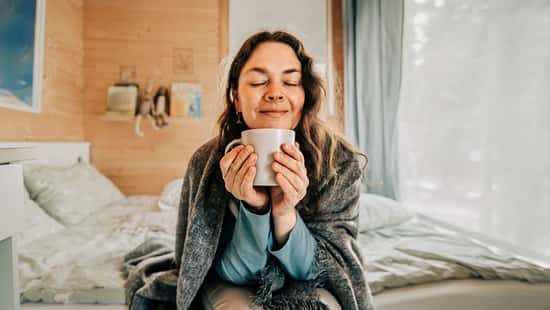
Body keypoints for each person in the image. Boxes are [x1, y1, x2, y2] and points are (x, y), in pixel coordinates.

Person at [124, 30, 376, 310]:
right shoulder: (206, 163)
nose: (275, 93)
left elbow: (322, 272)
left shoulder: (339, 163)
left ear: (304, 95)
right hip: (231, 284)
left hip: (311, 286)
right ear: (236, 97)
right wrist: (254, 208)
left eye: (290, 81)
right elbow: (232, 274)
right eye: (258, 81)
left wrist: (284, 212)